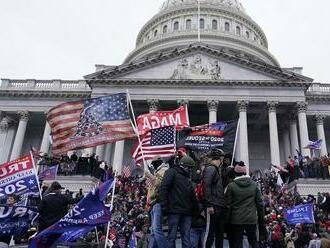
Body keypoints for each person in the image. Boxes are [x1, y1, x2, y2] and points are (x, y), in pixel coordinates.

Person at [159, 155, 198, 248]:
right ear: (186, 166)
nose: (191, 170)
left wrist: (195, 209)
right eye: (190, 168)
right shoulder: (173, 173)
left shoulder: (184, 176)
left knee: (180, 237)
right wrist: (164, 206)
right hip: (175, 211)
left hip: (181, 211)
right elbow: (164, 189)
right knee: (175, 237)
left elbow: (191, 195)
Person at [225, 161, 265, 248]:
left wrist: (226, 222)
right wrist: (261, 220)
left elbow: (228, 206)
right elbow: (260, 204)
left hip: (236, 220)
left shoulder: (231, 186)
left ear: (235, 173)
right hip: (251, 219)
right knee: (253, 242)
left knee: (237, 244)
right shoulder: (254, 185)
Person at [203, 148, 226, 248]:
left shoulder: (216, 170)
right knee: (210, 234)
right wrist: (209, 204)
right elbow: (206, 186)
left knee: (219, 234)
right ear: (219, 159)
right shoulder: (210, 169)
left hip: (219, 205)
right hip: (213, 206)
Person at [145, 157, 169, 248]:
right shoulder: (157, 171)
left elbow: (159, 184)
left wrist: (149, 176)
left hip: (158, 202)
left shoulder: (164, 170)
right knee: (153, 231)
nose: (153, 166)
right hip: (153, 203)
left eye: (154, 164)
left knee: (156, 230)